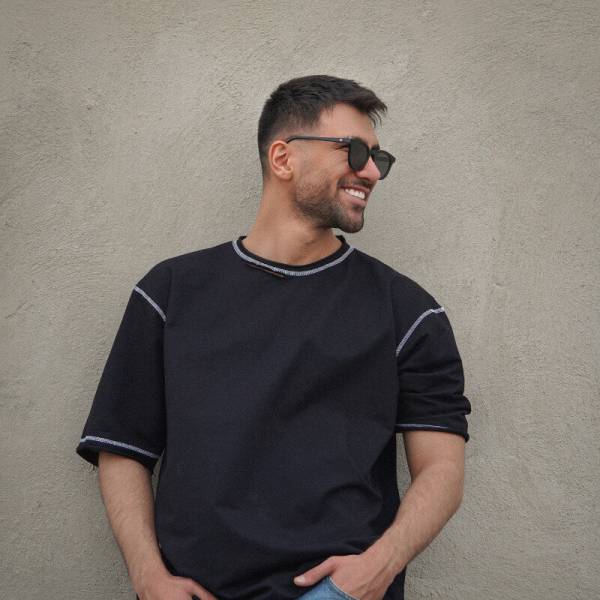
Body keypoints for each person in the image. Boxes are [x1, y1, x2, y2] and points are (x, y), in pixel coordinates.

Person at [76, 74, 471, 600]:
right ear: (283, 158)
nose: (372, 172)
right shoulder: (170, 293)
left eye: (379, 157)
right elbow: (124, 448)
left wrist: (378, 567)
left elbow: (442, 469)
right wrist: (148, 576)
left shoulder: (407, 312)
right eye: (354, 151)